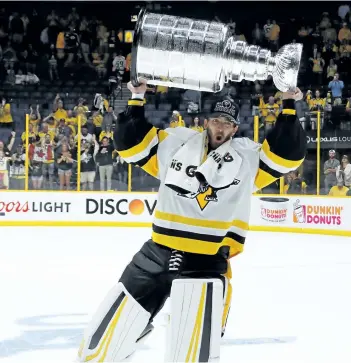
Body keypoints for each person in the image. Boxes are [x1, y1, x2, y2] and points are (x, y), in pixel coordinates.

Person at [77, 80, 306, 362]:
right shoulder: (176, 142)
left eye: (228, 123)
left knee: (191, 355)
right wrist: (136, 97)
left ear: (235, 128)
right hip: (156, 253)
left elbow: (287, 156)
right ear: (206, 121)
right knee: (98, 347)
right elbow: (132, 145)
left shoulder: (247, 158)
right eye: (217, 120)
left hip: (206, 261)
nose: (221, 128)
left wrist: (289, 105)